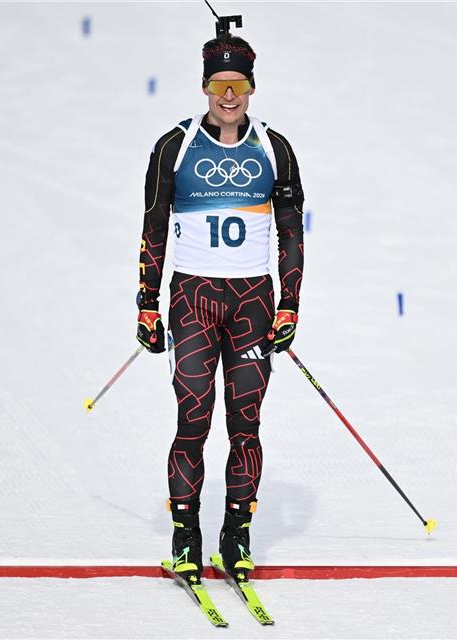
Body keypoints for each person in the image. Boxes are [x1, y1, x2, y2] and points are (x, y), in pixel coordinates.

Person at [136, 33, 305, 584]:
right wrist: (146, 303)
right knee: (192, 420)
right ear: (205, 86)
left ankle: (237, 535)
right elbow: (154, 227)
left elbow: (290, 233)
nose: (227, 96)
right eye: (218, 85)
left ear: (251, 88)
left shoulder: (274, 149)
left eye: (237, 86)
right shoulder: (175, 147)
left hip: (252, 303)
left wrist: (289, 305)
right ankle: (186, 537)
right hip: (191, 302)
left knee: (245, 424)